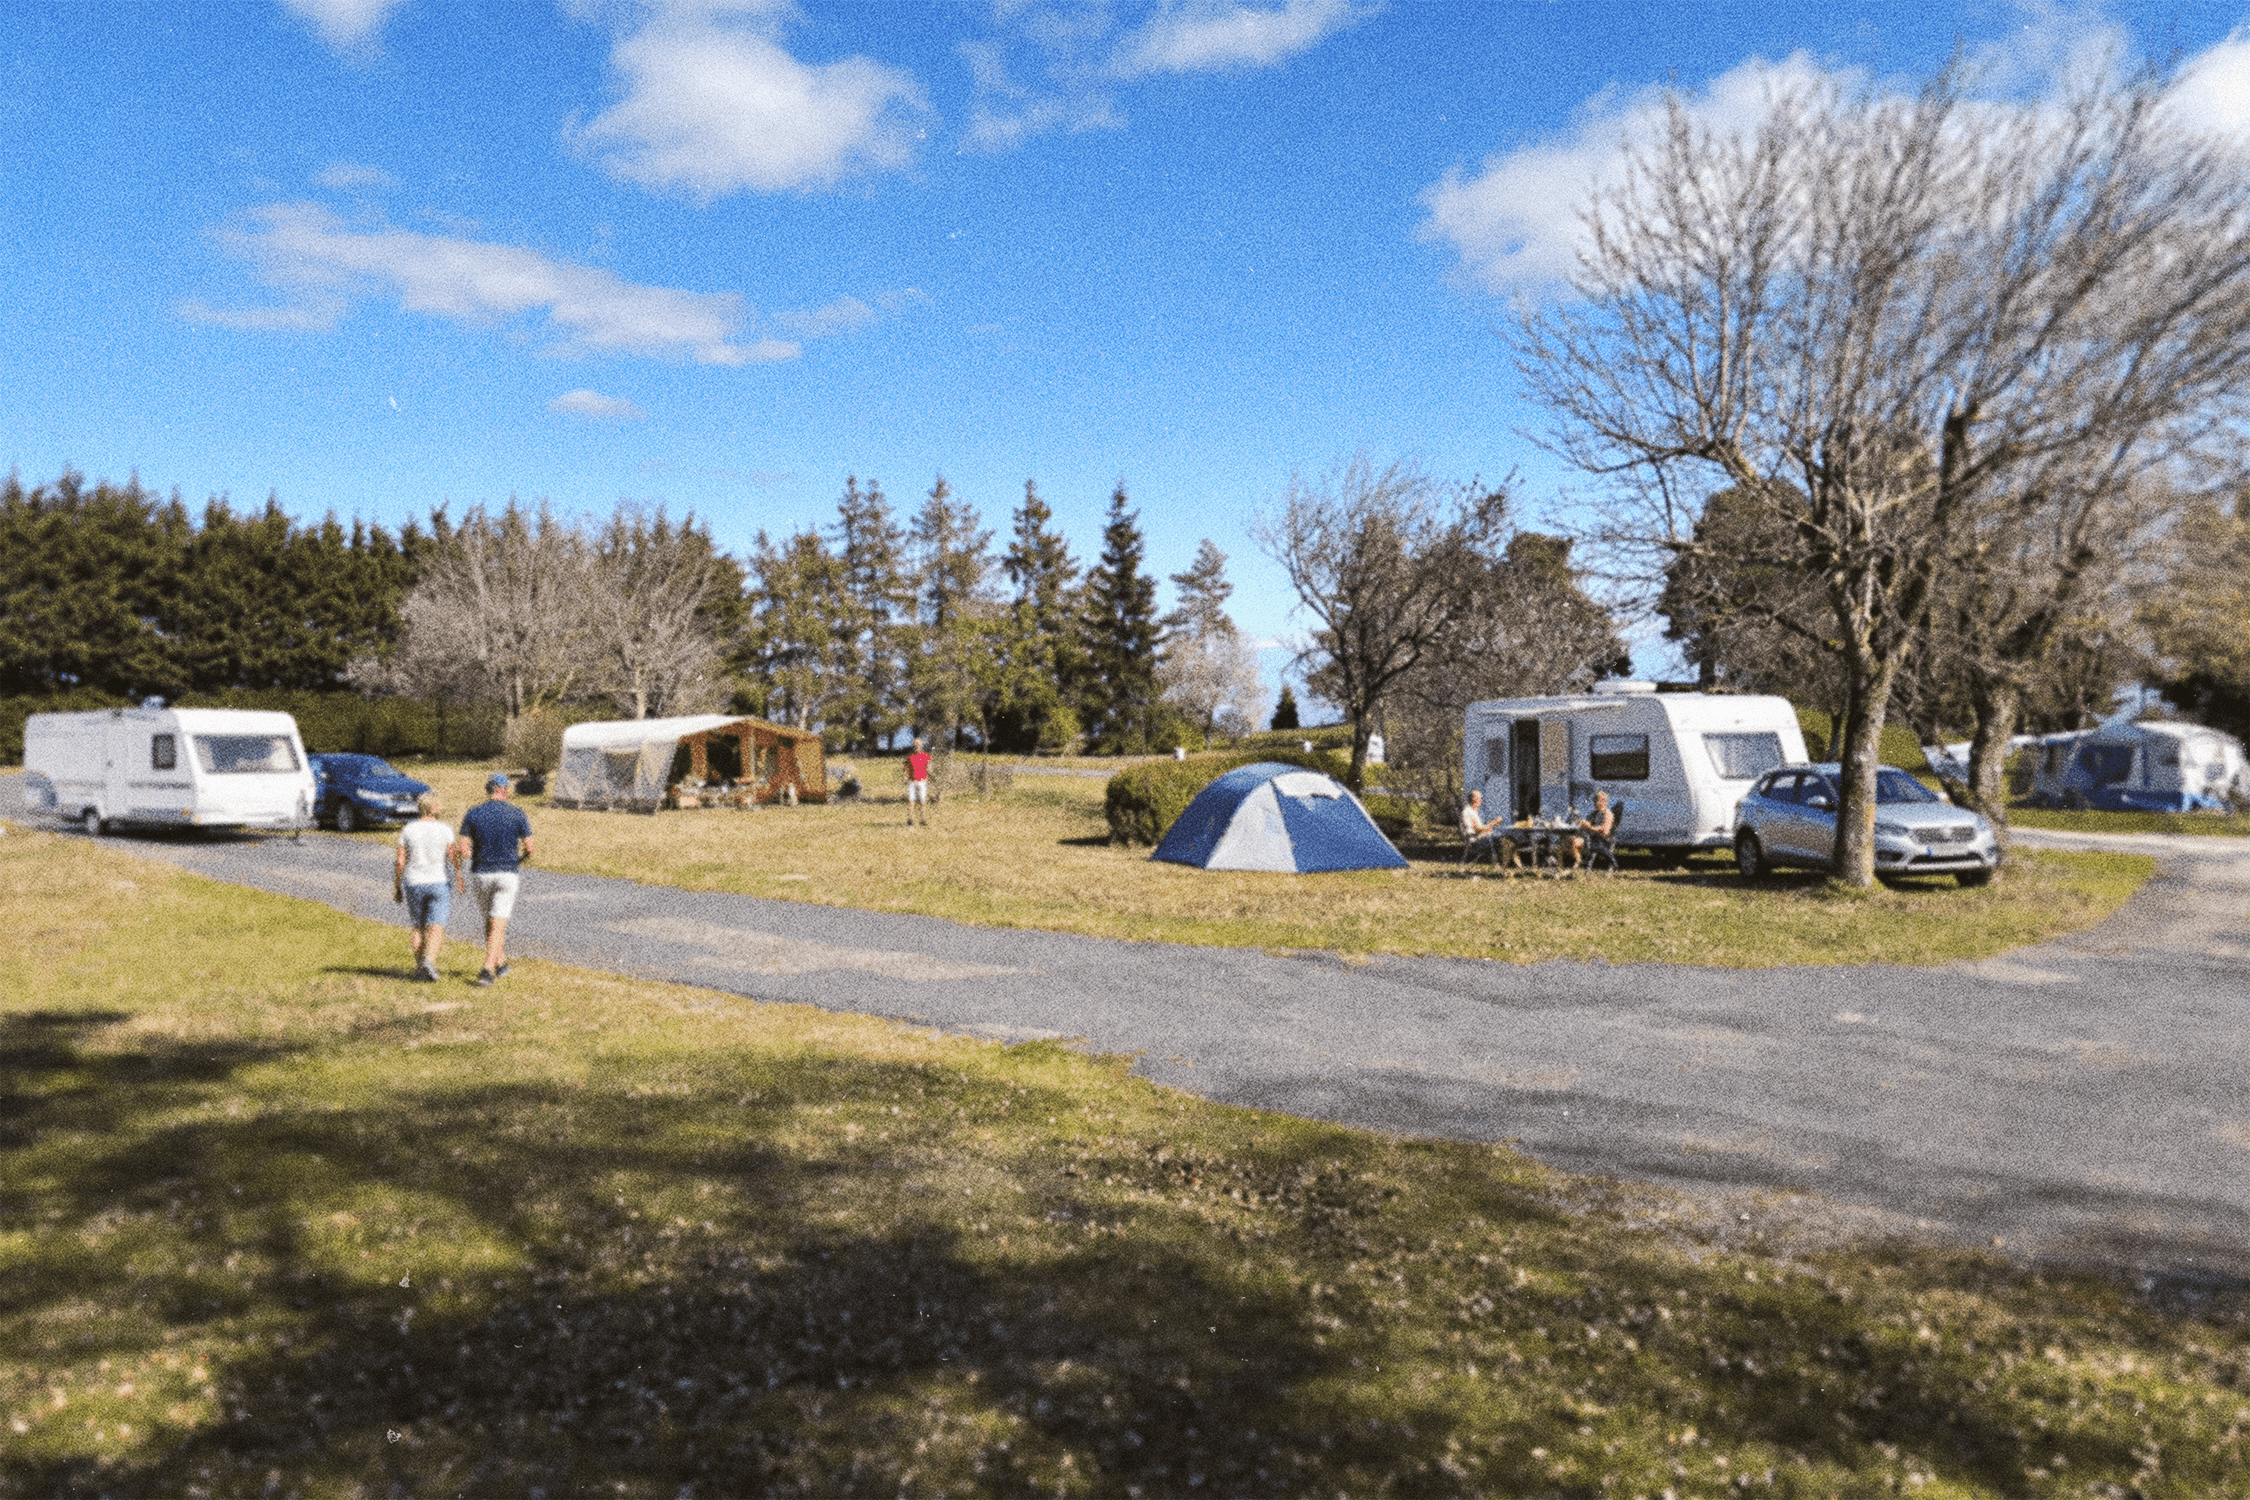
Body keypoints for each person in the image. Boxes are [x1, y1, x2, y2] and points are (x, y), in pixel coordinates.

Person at [457, 772, 535, 986]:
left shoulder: (473, 813)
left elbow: (463, 849)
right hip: (507, 873)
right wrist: (520, 859)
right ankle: (487, 969)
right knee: (498, 924)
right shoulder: (517, 813)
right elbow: (530, 847)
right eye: (507, 788)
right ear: (503, 790)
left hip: (481, 873)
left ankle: (500, 963)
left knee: (490, 922)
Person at [394, 792, 461, 982]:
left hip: (414, 881)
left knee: (418, 927)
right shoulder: (445, 829)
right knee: (436, 926)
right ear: (434, 807)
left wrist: (397, 885)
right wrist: (459, 874)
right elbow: (452, 855)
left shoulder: (409, 829)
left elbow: (400, 860)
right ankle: (429, 961)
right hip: (438, 881)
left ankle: (419, 968)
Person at [1570, 791, 1616, 871]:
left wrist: (1589, 827)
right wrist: (1581, 823)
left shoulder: (1608, 814)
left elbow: (1605, 831)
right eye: (1595, 800)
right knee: (1574, 842)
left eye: (1599, 800)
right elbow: (1587, 824)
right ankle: (1579, 862)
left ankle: (1585, 865)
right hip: (1590, 838)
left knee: (1590, 844)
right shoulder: (1594, 814)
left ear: (1605, 802)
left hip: (1602, 840)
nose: (1596, 803)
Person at [905, 737, 932, 827]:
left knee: (922, 800)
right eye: (916, 744)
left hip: (922, 781)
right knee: (911, 800)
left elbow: (929, 768)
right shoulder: (909, 757)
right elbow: (906, 768)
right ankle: (910, 819)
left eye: (918, 744)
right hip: (912, 781)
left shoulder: (926, 756)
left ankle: (922, 818)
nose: (917, 746)